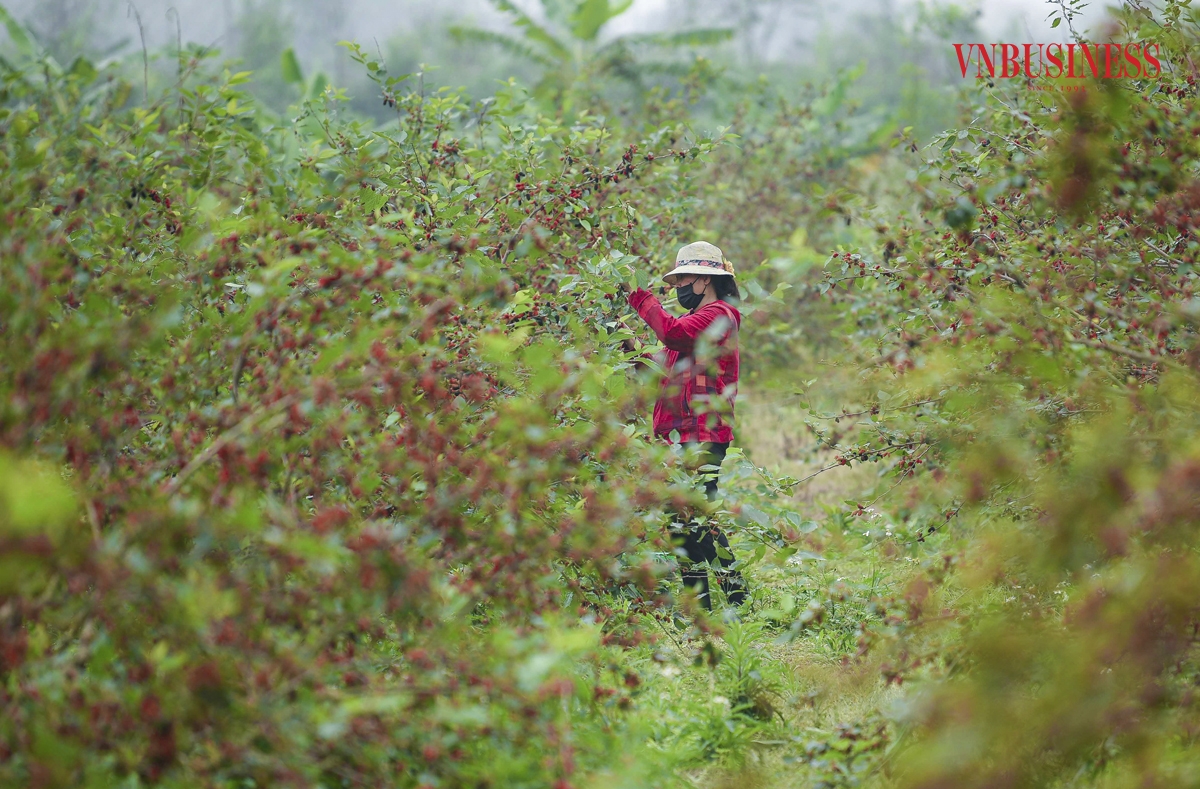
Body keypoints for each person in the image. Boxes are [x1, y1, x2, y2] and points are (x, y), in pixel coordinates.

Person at [625, 241, 748, 611]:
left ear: (706, 281)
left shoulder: (717, 315)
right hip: (681, 435)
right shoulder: (696, 327)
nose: (680, 287)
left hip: (700, 434)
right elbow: (662, 366)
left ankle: (731, 598)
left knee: (692, 519)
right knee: (683, 521)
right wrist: (628, 348)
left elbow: (671, 333)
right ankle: (708, 605)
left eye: (686, 278)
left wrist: (639, 298)